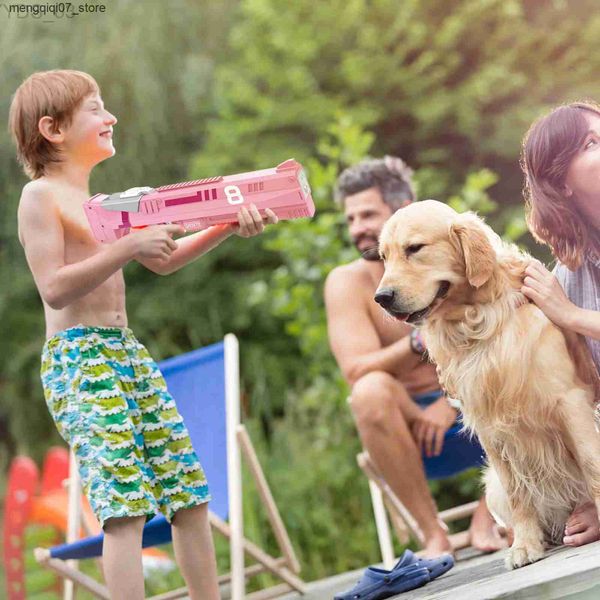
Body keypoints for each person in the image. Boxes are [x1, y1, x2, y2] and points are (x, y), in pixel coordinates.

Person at [10, 69, 278, 600]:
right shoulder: (39, 197)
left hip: (127, 353)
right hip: (81, 360)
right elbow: (54, 289)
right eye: (96, 109)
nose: (110, 118)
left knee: (189, 495)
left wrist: (225, 225)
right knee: (125, 506)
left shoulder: (106, 204)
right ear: (53, 128)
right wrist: (129, 246)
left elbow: (166, 260)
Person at [324, 156, 505, 557]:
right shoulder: (346, 283)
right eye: (350, 219)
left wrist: (450, 399)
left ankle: (491, 514)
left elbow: (501, 339)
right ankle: (432, 535)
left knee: (514, 361)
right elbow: (356, 370)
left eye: (367, 214)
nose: (358, 229)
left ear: (403, 207)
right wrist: (417, 342)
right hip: (414, 433)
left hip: (484, 412)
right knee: (368, 391)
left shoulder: (450, 257)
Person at [521, 101, 600, 549]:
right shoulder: (567, 276)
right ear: (561, 183)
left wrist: (569, 316)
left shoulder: (563, 298)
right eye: (592, 144)